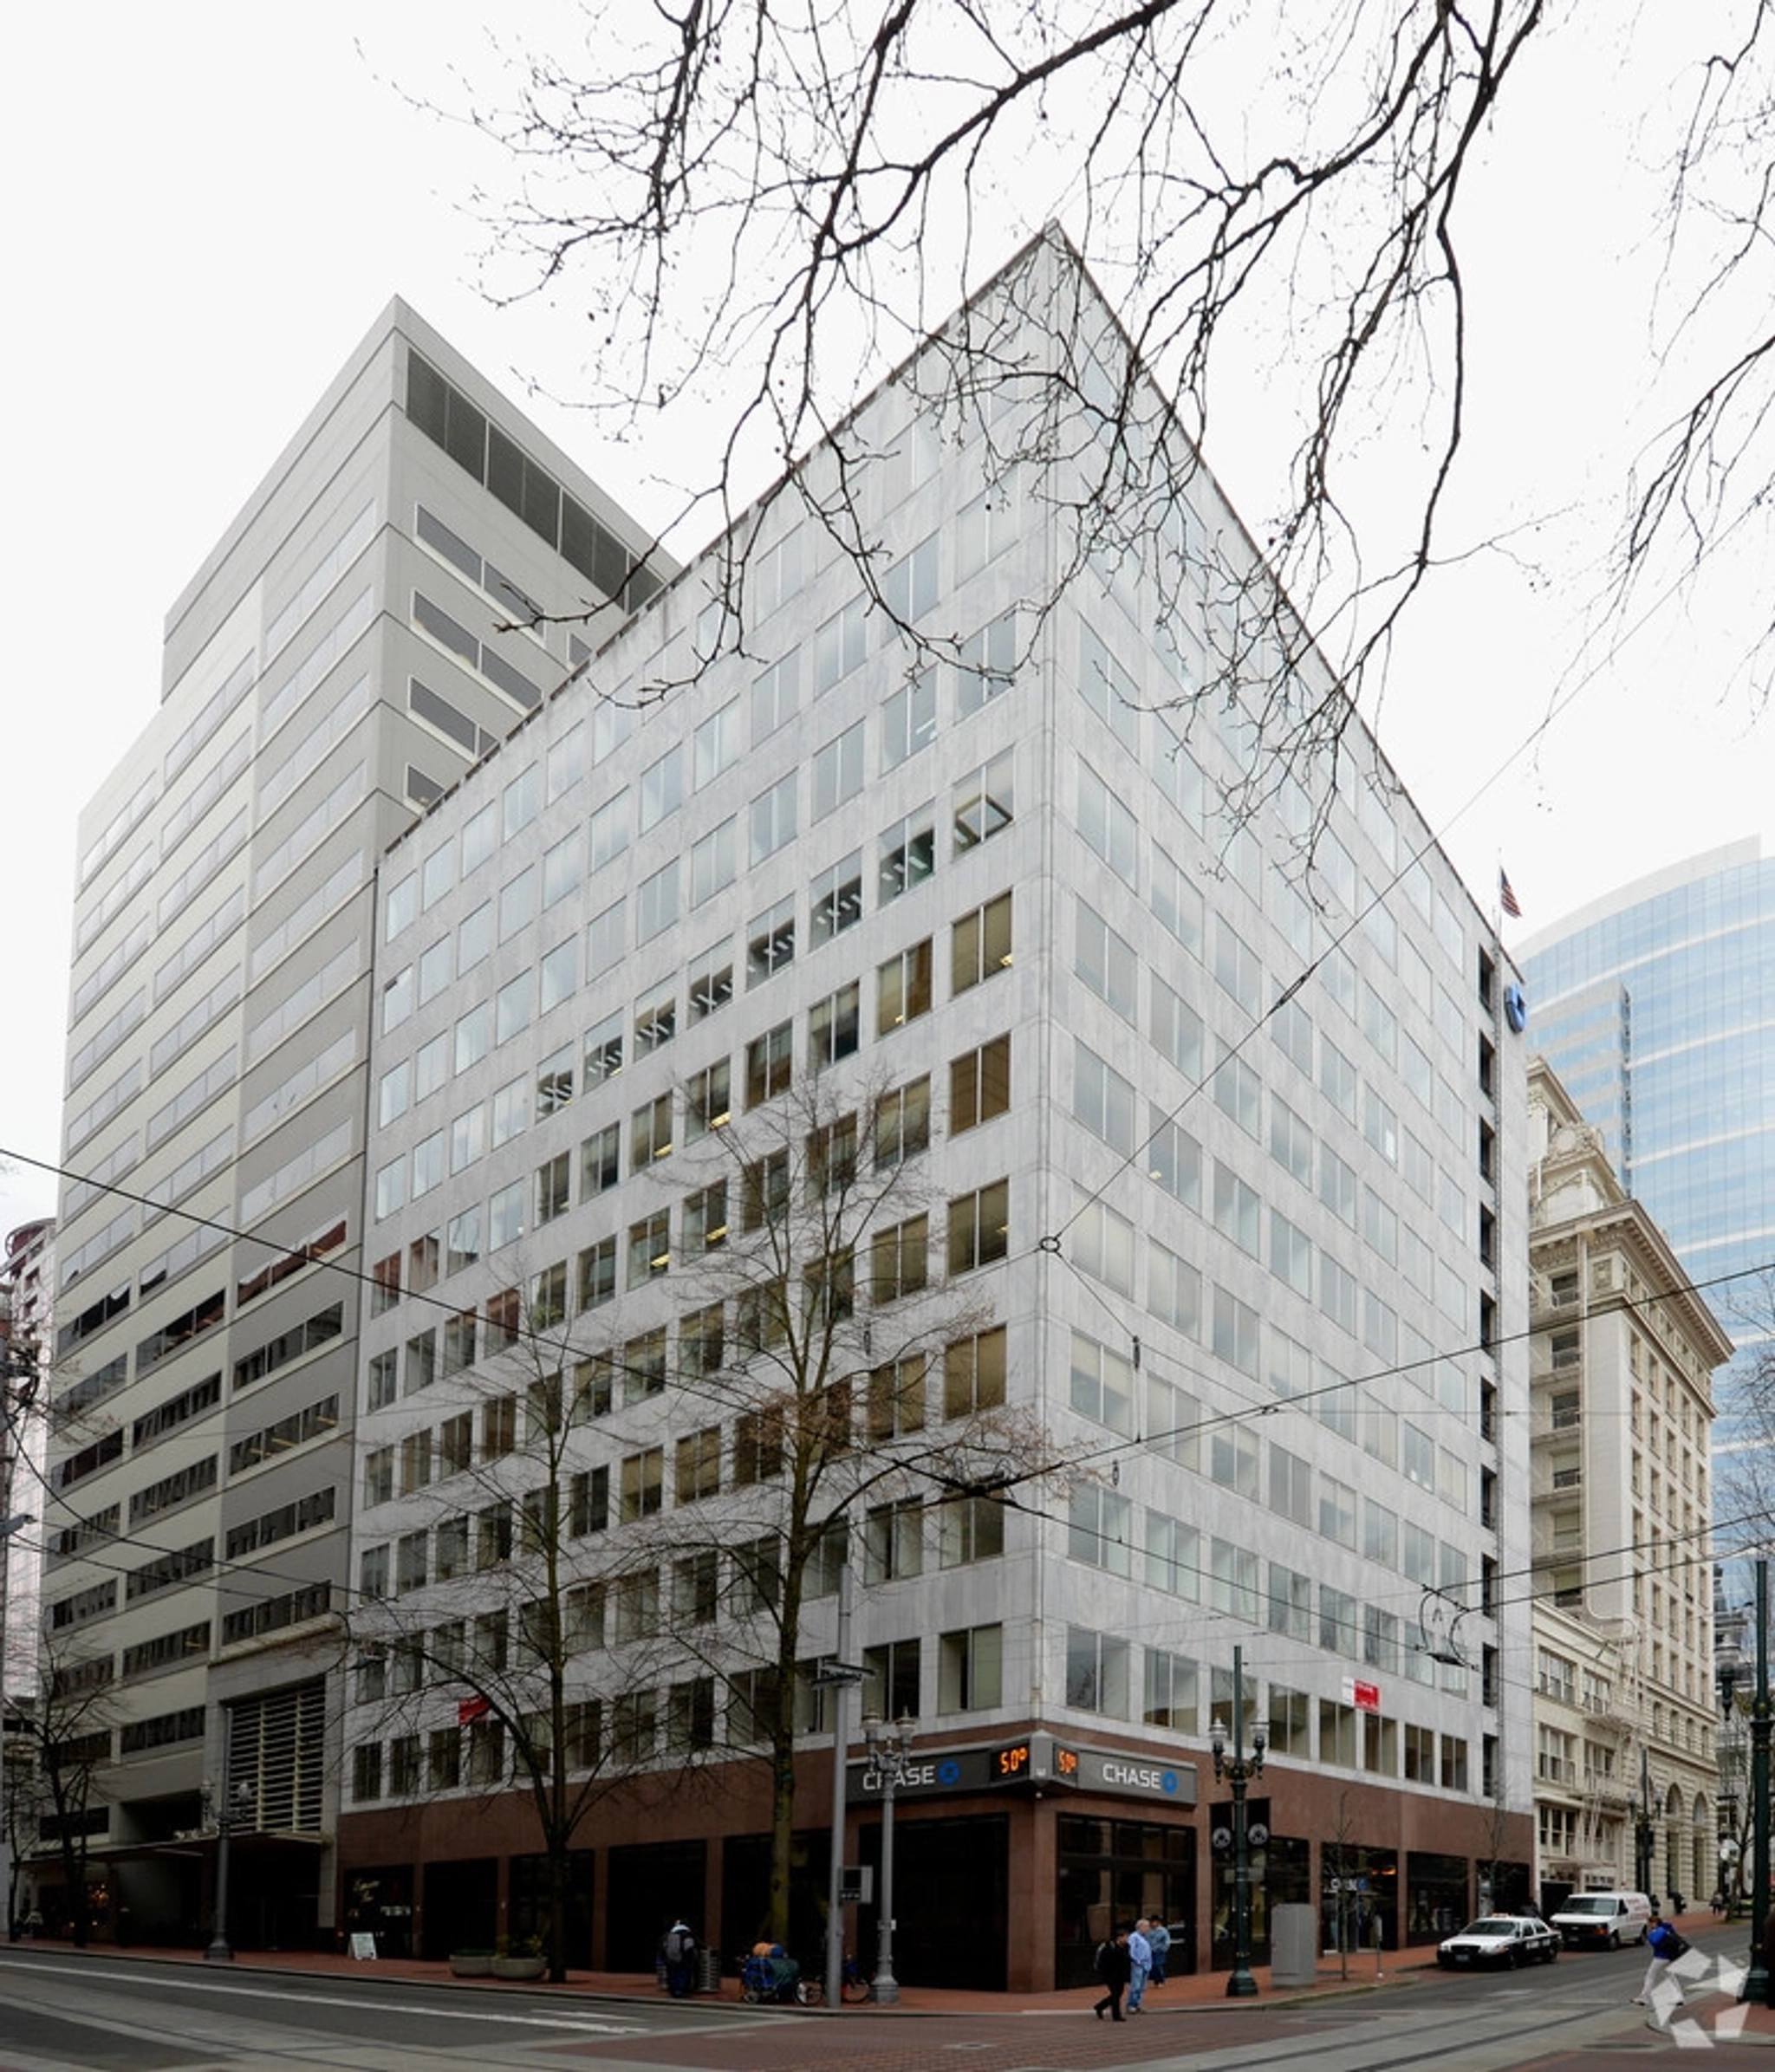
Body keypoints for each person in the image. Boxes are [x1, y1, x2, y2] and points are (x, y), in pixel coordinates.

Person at [1632, 1911, 1686, 2010]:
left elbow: (1654, 1942)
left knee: (1650, 1976)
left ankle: (1644, 1998)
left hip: (1661, 1957)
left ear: (1654, 1923)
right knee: (1671, 1976)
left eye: (1650, 1923)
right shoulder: (1667, 1928)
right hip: (1671, 1956)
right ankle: (1679, 1998)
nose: (1649, 1926)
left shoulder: (1658, 1931)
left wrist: (1650, 1936)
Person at [1092, 1928, 1131, 2022]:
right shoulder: (1109, 1947)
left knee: (1118, 1994)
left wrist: (1127, 1975)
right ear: (1119, 1937)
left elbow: (1126, 1961)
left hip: (1121, 1975)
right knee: (1116, 1994)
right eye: (1126, 1937)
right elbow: (1103, 1962)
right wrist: (1104, 1974)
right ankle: (1116, 2015)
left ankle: (1099, 2006)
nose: (1127, 1939)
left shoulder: (1127, 1947)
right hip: (1110, 1975)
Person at [660, 1917, 698, 1997]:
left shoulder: (669, 1935)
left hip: (670, 1958)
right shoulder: (686, 1935)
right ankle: (680, 1991)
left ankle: (673, 1990)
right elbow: (689, 1947)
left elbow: (664, 1946)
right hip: (683, 1958)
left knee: (672, 1974)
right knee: (682, 1974)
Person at [1127, 1919, 1153, 2012]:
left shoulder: (1145, 1937)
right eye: (1146, 1927)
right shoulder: (1134, 1937)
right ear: (1140, 1927)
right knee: (1136, 1985)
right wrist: (1137, 1961)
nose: (1148, 1929)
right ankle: (1131, 2005)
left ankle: (1137, 2004)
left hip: (1146, 1965)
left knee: (1142, 1987)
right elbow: (1131, 1950)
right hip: (1138, 1964)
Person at [1146, 1917, 1172, 1986]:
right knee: (1152, 1966)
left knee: (1158, 1965)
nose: (1153, 1924)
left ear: (1158, 1922)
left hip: (1159, 1951)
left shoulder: (1163, 1931)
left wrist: (1163, 1948)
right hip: (1150, 1951)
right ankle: (1156, 1980)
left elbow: (1167, 1941)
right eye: (1152, 1922)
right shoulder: (1148, 1930)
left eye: (1154, 1922)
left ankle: (1161, 1980)